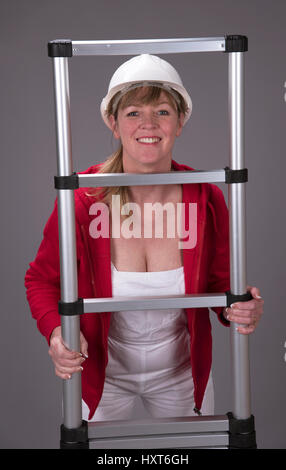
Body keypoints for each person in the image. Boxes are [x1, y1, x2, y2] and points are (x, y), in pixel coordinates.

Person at [25, 54, 264, 422]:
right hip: (102, 374)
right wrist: (56, 334)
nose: (148, 124)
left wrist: (239, 305)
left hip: (179, 376)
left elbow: (219, 283)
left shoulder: (205, 197)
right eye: (134, 112)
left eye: (163, 112)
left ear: (181, 122)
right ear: (114, 122)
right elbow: (42, 279)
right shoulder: (83, 199)